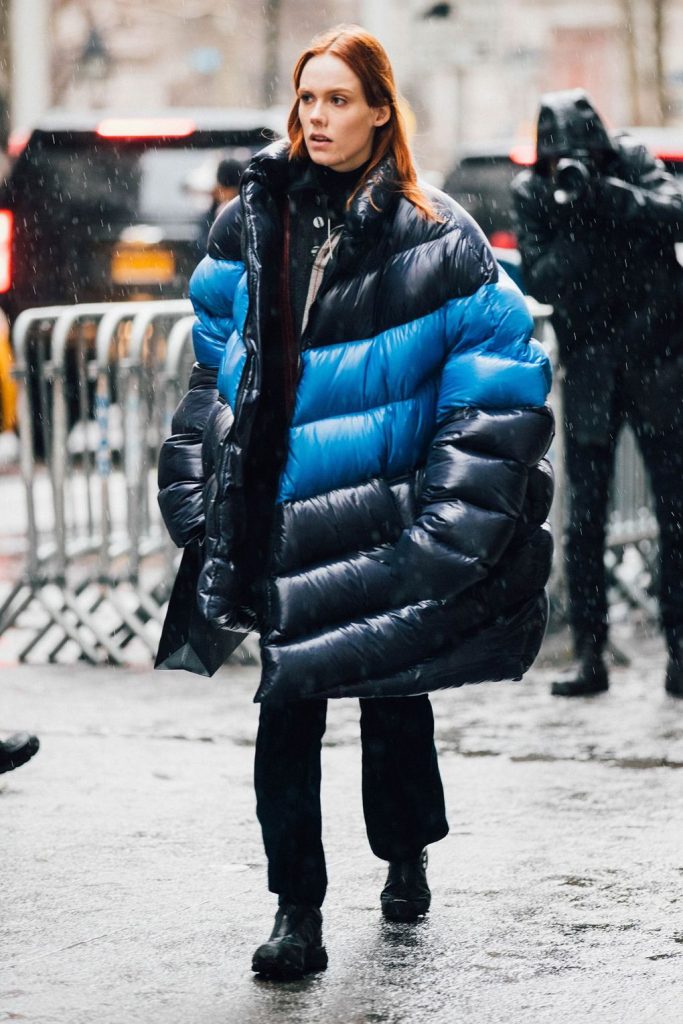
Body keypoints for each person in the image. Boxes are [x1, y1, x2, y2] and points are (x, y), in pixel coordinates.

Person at [158, 25, 553, 979]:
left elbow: (499, 385)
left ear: (380, 109)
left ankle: (405, 849)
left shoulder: (437, 235)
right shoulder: (252, 217)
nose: (317, 117)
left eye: (338, 99)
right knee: (286, 703)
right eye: (307, 98)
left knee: (390, 696)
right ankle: (297, 908)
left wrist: (442, 520)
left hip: (377, 513)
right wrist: (196, 468)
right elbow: (213, 356)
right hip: (274, 512)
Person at [511, 89, 683, 700]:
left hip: (660, 362)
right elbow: (545, 277)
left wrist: (612, 200)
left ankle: (681, 652)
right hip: (591, 371)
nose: (572, 170)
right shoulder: (534, 192)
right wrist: (581, 218)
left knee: (677, 511)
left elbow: (676, 212)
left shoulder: (631, 165)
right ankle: (590, 654)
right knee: (584, 521)